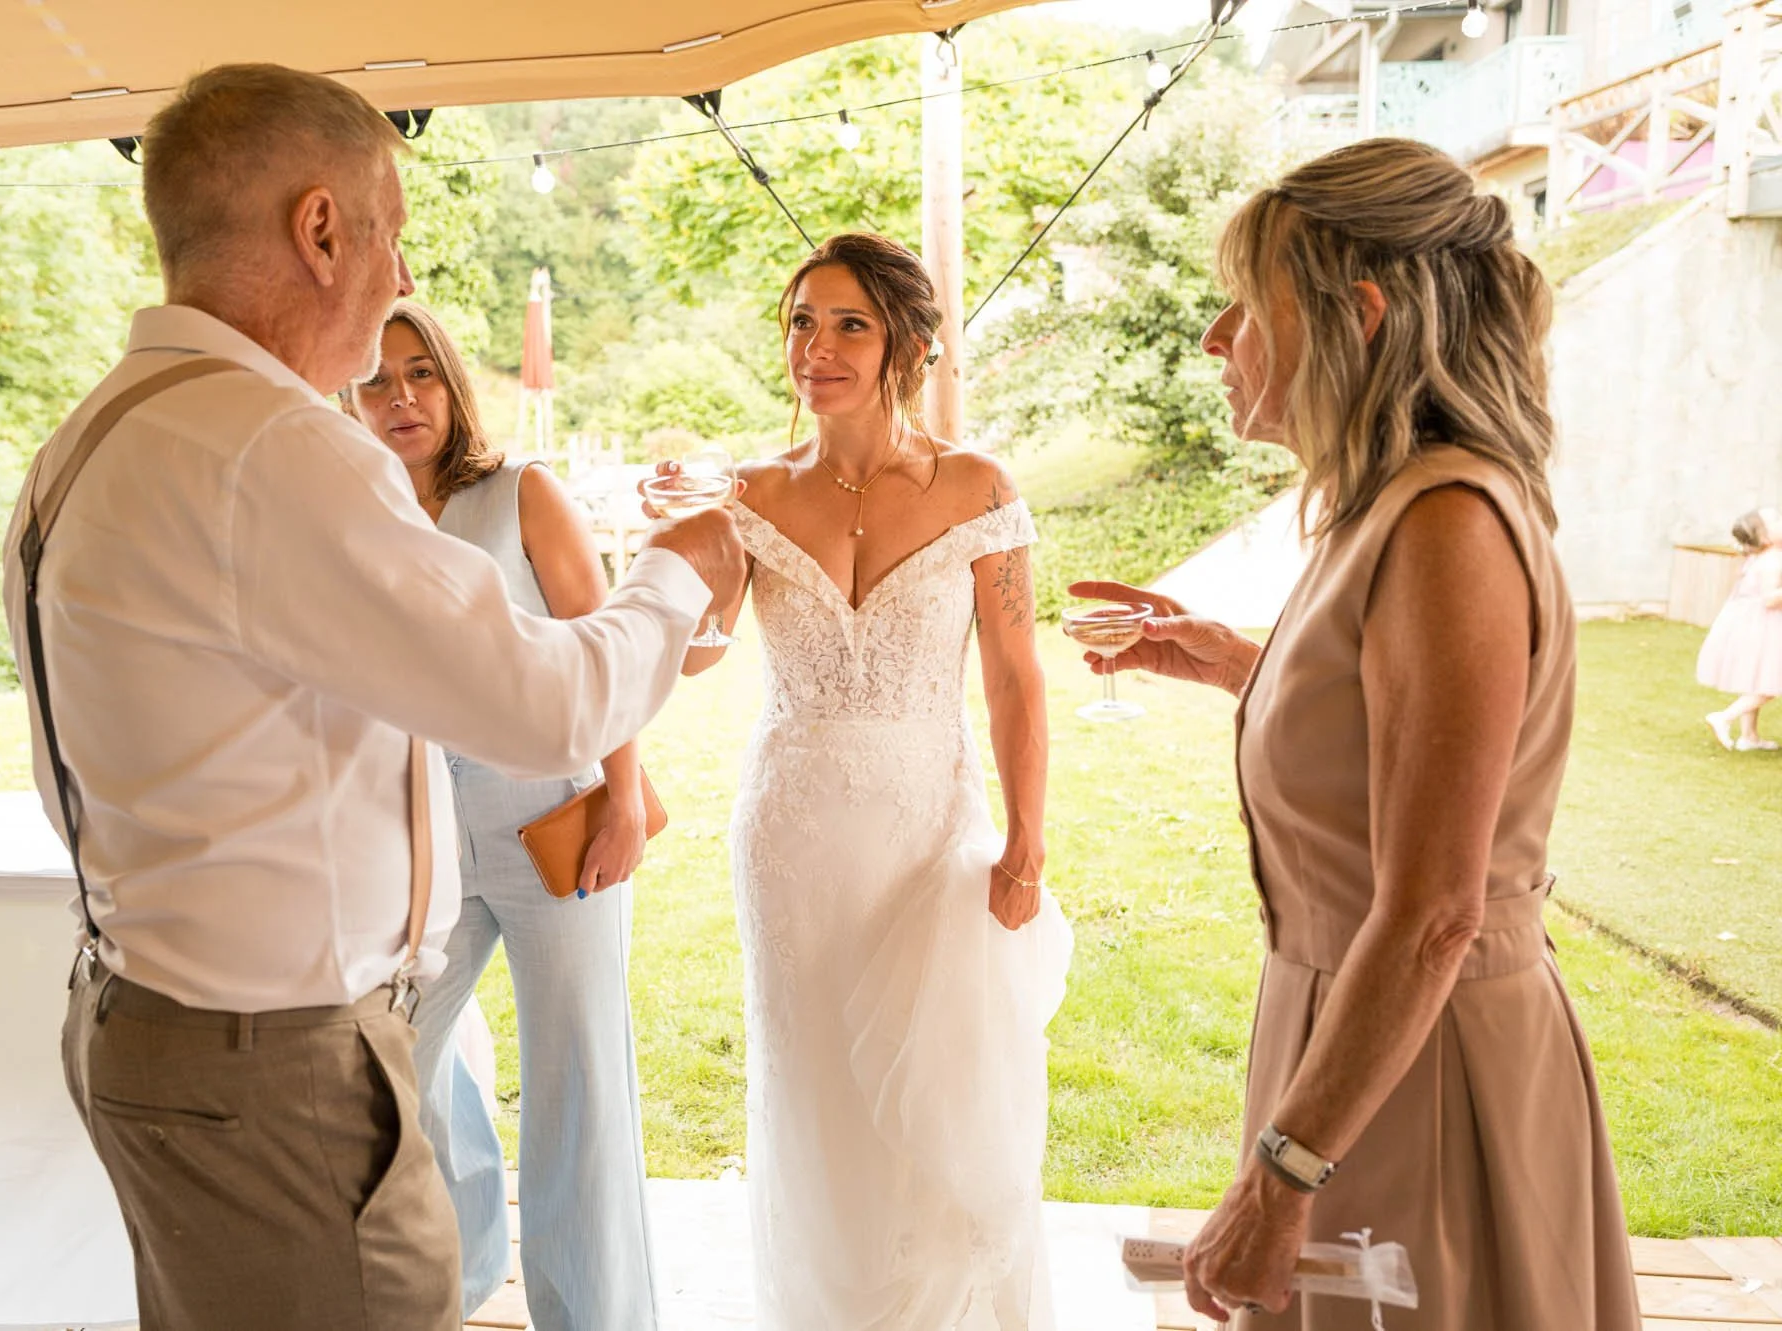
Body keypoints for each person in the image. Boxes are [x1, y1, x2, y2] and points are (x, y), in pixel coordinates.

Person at [1, 64, 742, 1331]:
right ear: (321, 229)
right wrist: (682, 572)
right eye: (388, 231)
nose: (399, 276)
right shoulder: (272, 448)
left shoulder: (98, 432)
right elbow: (543, 701)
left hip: (151, 1014)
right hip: (272, 1066)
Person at [1075, 138, 1640, 1330]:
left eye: (1243, 305)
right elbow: (1389, 733)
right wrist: (1235, 662)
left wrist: (1281, 1173)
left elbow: (1436, 908)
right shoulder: (1383, 507)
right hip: (1358, 1042)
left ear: (1358, 315)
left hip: (1423, 1068)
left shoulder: (1444, 521)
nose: (1213, 340)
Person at [676, 232, 1073, 1329]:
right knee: (812, 1094)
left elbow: (1014, 678)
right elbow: (701, 648)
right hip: (791, 831)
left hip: (925, 831)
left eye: (849, 322)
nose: (819, 347)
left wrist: (1026, 836)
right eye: (803, 321)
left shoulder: (975, 486)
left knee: (940, 1097)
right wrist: (673, 570)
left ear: (905, 342)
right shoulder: (750, 493)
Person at [342, 299, 662, 1329]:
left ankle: (594, 1315)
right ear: (347, 397)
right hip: (421, 838)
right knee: (397, 1065)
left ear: (450, 381)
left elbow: (600, 644)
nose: (400, 397)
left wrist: (624, 797)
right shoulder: (351, 515)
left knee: (577, 1083)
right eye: (377, 379)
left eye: (419, 373)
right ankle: (462, 1270)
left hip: (552, 817)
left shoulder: (523, 491)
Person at [1698, 507, 1782, 751]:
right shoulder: (1773, 561)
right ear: (1764, 535)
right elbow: (1769, 599)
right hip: (1765, 625)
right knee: (1771, 682)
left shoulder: (1759, 558)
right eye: (1776, 520)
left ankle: (1749, 736)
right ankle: (1724, 717)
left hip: (1751, 624)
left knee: (1757, 678)